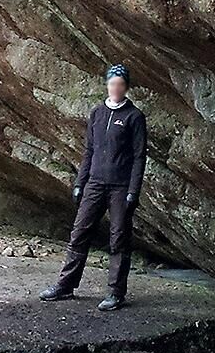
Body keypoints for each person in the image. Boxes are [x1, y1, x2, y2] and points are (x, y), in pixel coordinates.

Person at [40, 64, 147, 310]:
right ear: (107, 85)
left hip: (120, 186)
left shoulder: (134, 117)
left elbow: (140, 156)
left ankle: (116, 292)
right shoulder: (97, 113)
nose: (116, 88)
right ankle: (65, 285)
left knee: (119, 238)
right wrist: (80, 182)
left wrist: (133, 190)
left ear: (126, 87)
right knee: (79, 232)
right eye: (112, 83)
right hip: (95, 183)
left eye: (120, 84)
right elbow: (89, 150)